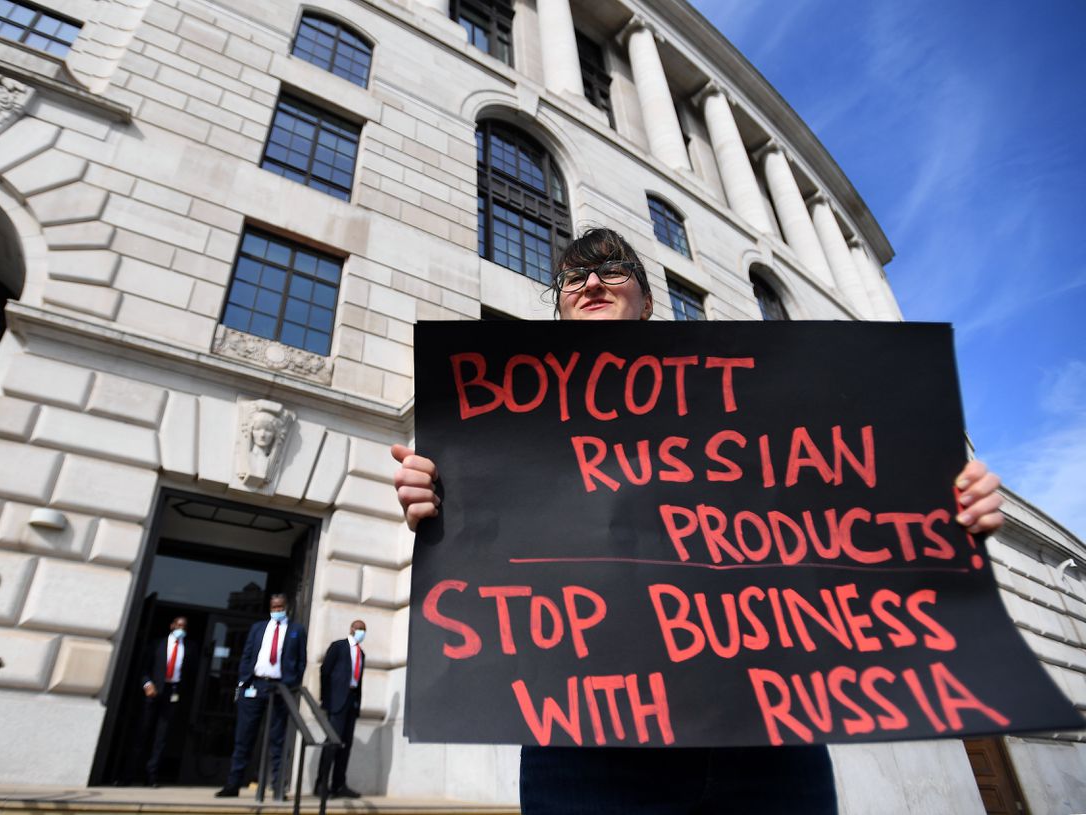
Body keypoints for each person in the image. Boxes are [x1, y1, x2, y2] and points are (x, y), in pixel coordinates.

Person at [391, 228, 1006, 814]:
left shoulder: (744, 397)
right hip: (587, 746)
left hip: (767, 738)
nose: (591, 283)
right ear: (561, 307)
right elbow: (487, 552)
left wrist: (942, 504)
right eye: (574, 276)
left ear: (647, 300)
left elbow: (842, 509)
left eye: (612, 270)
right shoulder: (505, 422)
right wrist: (435, 497)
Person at [217, 593, 307, 798]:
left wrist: (292, 683)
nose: (277, 610)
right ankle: (233, 784)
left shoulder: (297, 630)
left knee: (278, 739)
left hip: (280, 688)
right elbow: (248, 655)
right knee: (244, 736)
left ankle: (277, 786)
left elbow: (301, 661)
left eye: (280, 607)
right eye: (274, 607)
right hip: (255, 686)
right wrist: (243, 679)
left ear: (287, 607)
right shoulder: (258, 628)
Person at [314, 619, 366, 799]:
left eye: (363, 630)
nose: (361, 632)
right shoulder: (338, 646)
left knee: (346, 745)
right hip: (336, 702)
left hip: (352, 702)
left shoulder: (362, 653)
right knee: (332, 743)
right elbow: (325, 671)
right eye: (359, 628)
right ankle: (321, 784)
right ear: (351, 628)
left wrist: (358, 704)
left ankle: (339, 784)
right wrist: (325, 699)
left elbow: (358, 682)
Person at [136, 615, 189, 787]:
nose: (181, 629)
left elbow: (191, 674)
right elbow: (143, 667)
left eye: (184, 627)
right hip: (153, 691)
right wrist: (147, 684)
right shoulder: (157, 644)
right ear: (172, 625)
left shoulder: (189, 648)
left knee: (162, 736)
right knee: (143, 730)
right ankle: (130, 773)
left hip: (172, 692)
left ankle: (150, 776)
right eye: (178, 625)